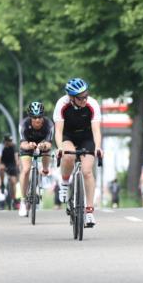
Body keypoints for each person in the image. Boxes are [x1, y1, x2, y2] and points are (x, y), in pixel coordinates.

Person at [54, 78, 103, 227]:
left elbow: (96, 130)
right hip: (68, 136)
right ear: (71, 97)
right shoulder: (61, 105)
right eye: (80, 98)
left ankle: (89, 212)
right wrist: (60, 147)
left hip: (86, 137)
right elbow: (58, 131)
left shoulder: (92, 104)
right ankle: (64, 182)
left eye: (86, 96)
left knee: (87, 171)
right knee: (68, 156)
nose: (84, 100)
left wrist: (98, 147)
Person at [17, 102, 54, 217]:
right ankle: (23, 201)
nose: (37, 120)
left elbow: (49, 144)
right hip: (28, 145)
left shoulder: (49, 124)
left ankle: (45, 169)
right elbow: (22, 144)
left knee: (46, 151)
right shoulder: (23, 124)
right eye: (34, 117)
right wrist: (29, 146)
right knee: (26, 169)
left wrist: (43, 145)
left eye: (39, 117)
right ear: (30, 117)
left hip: (43, 144)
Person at [0, 135, 19, 210]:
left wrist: (17, 165)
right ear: (5, 141)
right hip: (4, 162)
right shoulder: (0, 146)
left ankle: (14, 199)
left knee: (13, 182)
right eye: (9, 141)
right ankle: (2, 183)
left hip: (11, 164)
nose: (10, 142)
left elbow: (16, 157)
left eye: (11, 141)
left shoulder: (14, 146)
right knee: (1, 168)